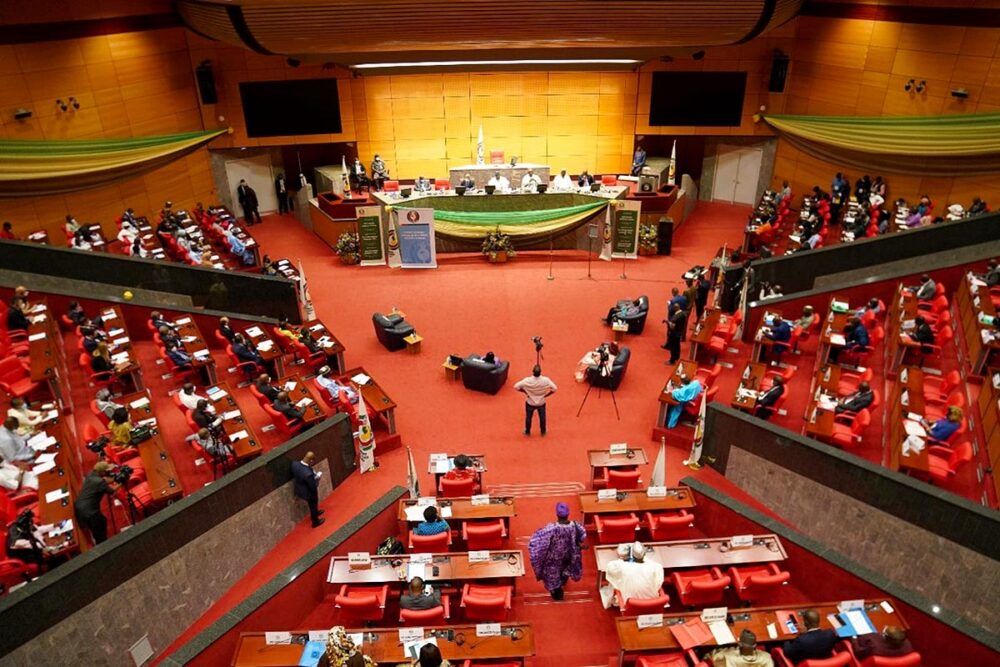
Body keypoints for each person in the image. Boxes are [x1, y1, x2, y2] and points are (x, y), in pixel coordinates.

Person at [528, 501, 586, 600]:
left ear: (557, 514)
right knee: (565, 570)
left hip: (554, 558)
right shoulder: (576, 525)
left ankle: (557, 591)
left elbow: (537, 540)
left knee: (553, 575)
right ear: (568, 514)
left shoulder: (551, 528)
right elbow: (583, 535)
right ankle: (563, 581)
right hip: (569, 555)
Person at [74, 462, 116, 545]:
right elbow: (112, 491)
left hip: (80, 507)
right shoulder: (100, 482)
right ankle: (103, 548)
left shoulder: (91, 475)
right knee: (100, 532)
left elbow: (102, 482)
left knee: (100, 523)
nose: (108, 472)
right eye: (106, 471)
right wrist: (121, 482)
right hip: (90, 512)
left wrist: (110, 480)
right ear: (102, 472)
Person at [513, 365, 557, 437]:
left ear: (533, 372)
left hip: (530, 402)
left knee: (528, 417)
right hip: (541, 402)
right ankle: (543, 432)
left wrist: (525, 392)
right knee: (542, 417)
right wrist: (547, 395)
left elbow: (516, 386)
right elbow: (554, 388)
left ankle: (527, 432)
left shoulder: (527, 380)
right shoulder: (546, 380)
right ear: (540, 372)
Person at [291, 451, 324, 528]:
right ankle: (315, 521)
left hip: (300, 488)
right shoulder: (308, 474)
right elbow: (312, 486)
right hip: (309, 492)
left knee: (312, 505)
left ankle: (316, 512)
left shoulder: (294, 464)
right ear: (311, 460)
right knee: (313, 505)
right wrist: (317, 477)